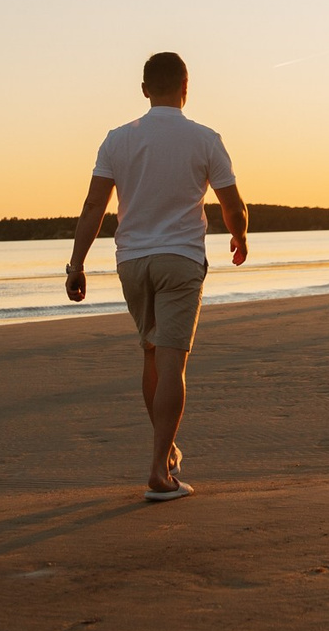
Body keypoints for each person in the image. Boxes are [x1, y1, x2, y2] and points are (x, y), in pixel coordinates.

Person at [65, 52, 248, 501]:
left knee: (151, 356)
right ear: (186, 88)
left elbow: (94, 207)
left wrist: (76, 264)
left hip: (132, 262)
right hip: (180, 260)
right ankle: (159, 472)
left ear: (145, 89)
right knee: (172, 364)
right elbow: (232, 205)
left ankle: (166, 457)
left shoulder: (116, 140)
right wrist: (239, 237)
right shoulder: (205, 139)